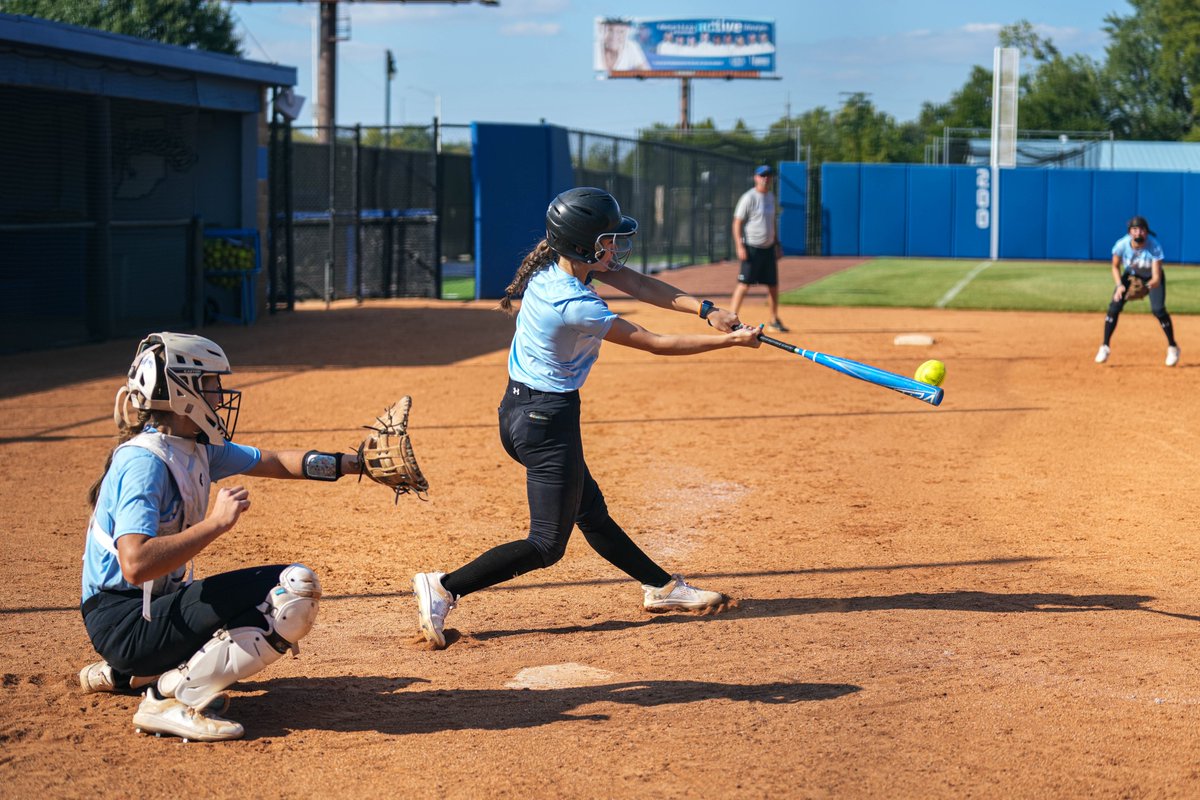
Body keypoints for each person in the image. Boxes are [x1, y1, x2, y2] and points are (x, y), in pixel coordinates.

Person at [410, 187, 762, 650]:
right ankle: (444, 586)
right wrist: (730, 343)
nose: (614, 247)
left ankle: (661, 588)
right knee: (546, 545)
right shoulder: (576, 303)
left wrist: (708, 310)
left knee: (590, 512)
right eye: (608, 240)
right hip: (545, 423)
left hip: (522, 412)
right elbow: (655, 343)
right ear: (584, 245)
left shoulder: (553, 269)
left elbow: (639, 284)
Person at [78, 332, 360, 741]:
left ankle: (130, 674)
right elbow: (135, 564)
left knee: (250, 602)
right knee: (293, 589)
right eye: (211, 384)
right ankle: (167, 700)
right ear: (181, 390)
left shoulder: (193, 447)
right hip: (124, 620)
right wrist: (215, 523)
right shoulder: (145, 463)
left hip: (145, 615)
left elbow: (276, 461)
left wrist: (353, 464)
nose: (219, 394)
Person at [1094, 215, 1180, 366]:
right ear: (1129, 232)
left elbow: (1156, 278)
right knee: (1114, 306)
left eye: (1141, 230)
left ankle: (1173, 347)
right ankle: (1105, 346)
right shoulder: (1121, 245)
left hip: (1151, 278)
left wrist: (1145, 288)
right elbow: (1115, 266)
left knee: (1158, 310)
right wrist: (1120, 285)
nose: (1138, 233)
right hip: (1131, 276)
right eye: (1134, 229)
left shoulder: (1154, 246)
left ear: (1147, 232)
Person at [731, 165, 788, 333]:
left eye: (768, 175)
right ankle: (731, 319)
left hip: (768, 247)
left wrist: (777, 244)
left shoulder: (771, 197)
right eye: (762, 175)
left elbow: (772, 223)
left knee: (773, 285)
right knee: (744, 284)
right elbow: (737, 222)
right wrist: (739, 245)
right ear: (756, 177)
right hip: (752, 247)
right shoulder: (749, 197)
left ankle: (774, 320)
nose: (766, 178)